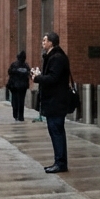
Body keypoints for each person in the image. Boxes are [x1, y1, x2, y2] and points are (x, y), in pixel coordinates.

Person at [33, 32, 72, 173]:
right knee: (56, 131)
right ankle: (59, 161)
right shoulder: (53, 57)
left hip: (56, 101)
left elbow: (53, 78)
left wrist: (37, 78)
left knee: (56, 131)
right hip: (53, 101)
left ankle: (60, 163)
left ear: (51, 42)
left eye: (45, 40)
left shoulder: (57, 58)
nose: (42, 43)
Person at [7, 51, 31, 121]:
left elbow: (9, 72)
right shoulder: (26, 66)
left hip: (15, 86)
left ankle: (16, 115)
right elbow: (29, 73)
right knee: (21, 101)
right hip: (23, 87)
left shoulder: (14, 65)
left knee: (15, 101)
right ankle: (20, 116)